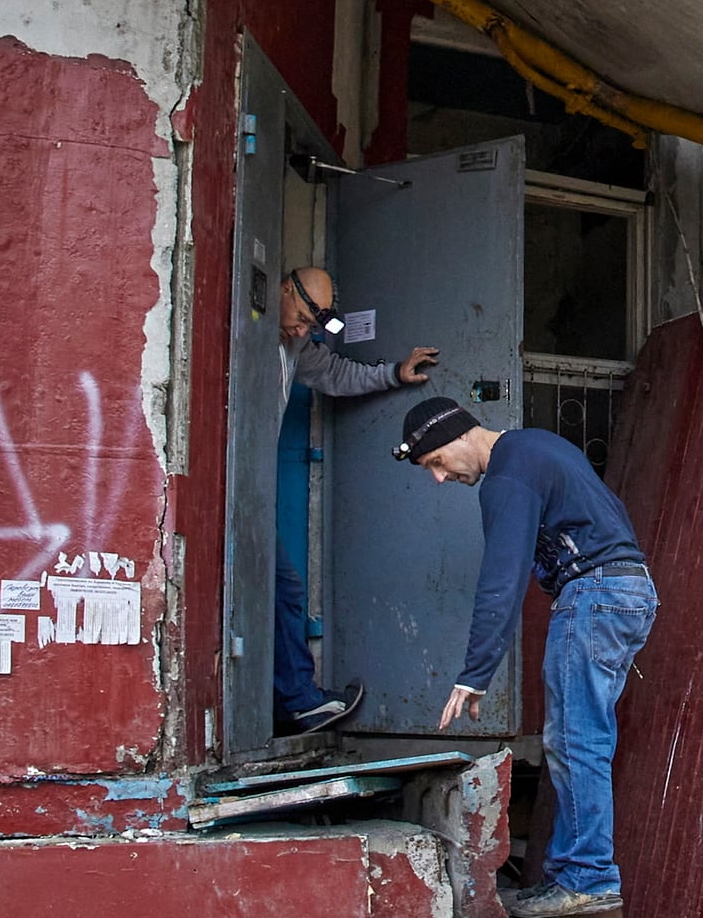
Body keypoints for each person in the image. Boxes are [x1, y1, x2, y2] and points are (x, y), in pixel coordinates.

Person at [399, 396, 655, 918]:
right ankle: (572, 875)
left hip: (595, 595)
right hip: (627, 591)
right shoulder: (536, 446)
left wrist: (474, 674)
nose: (440, 479)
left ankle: (588, 877)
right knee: (578, 738)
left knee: (576, 740)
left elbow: (502, 579)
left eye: (435, 464)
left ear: (452, 437)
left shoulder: (506, 476)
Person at [274, 266, 438, 734]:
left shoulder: (294, 344)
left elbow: (333, 373)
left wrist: (394, 374)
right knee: (277, 588)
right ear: (286, 289)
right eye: (302, 318)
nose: (302, 330)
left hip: (249, 484)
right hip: (225, 480)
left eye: (311, 325)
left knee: (279, 588)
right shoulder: (248, 330)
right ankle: (298, 702)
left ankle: (299, 702)